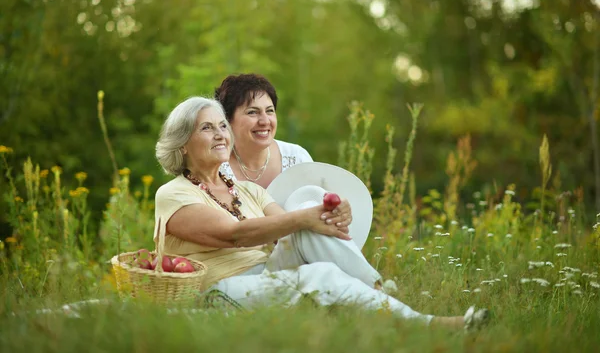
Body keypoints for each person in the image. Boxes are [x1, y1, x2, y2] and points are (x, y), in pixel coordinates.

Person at [153, 96, 489, 330]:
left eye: (222, 126)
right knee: (320, 271)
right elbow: (234, 235)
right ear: (183, 143)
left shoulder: (248, 190)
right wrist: (304, 217)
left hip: (265, 272)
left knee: (308, 198)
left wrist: (328, 210)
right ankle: (427, 325)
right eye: (207, 128)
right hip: (221, 291)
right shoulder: (173, 194)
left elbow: (288, 226)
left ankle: (376, 293)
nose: (221, 134)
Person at [214, 73, 312, 189]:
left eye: (269, 111)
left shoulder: (297, 158)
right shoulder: (214, 167)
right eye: (252, 112)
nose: (265, 121)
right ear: (227, 119)